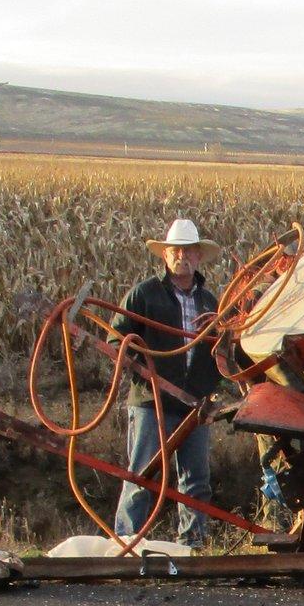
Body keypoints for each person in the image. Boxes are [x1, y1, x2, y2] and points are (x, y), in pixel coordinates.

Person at [112, 218, 225, 546]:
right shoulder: (144, 295)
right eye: (176, 251)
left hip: (195, 404)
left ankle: (192, 545)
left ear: (198, 257)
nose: (182, 257)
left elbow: (220, 352)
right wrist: (143, 378)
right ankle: (127, 543)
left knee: (196, 480)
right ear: (165, 256)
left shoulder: (209, 303)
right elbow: (116, 339)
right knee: (141, 475)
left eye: (188, 251)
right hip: (152, 402)